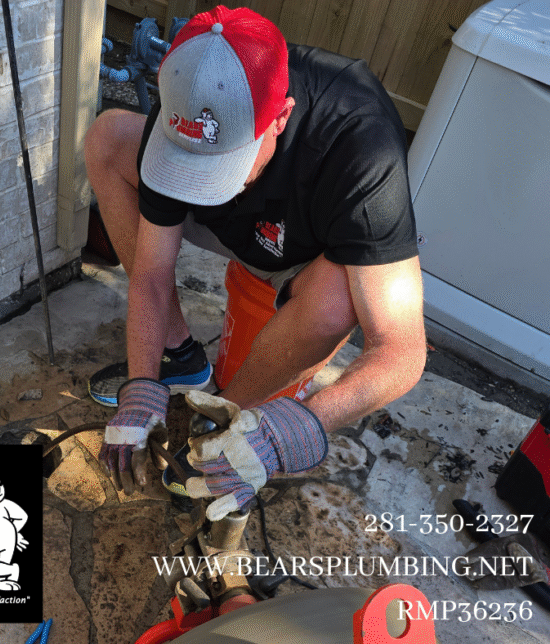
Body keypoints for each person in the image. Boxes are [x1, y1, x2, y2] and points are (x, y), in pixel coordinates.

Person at [84, 6, 426, 518]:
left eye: (220, 164)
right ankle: (181, 361)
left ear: (280, 118)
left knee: (338, 301)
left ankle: (227, 417)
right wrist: (142, 381)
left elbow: (401, 351)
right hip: (238, 232)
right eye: (186, 162)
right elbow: (152, 275)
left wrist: (298, 424)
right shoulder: (188, 100)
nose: (201, 183)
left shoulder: (361, 144)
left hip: (302, 255)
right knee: (109, 137)